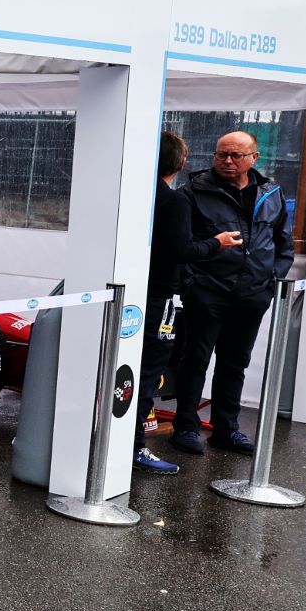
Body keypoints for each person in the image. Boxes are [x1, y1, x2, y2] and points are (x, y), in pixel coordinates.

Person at [165, 130, 293, 456]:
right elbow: (180, 245)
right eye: (222, 154)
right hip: (208, 292)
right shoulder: (194, 192)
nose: (228, 161)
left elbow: (283, 244)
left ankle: (227, 429)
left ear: (254, 158)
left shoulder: (271, 193)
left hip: (253, 295)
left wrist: (271, 279)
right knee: (194, 360)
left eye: (236, 155)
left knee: (235, 364)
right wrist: (191, 285)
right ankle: (186, 428)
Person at [133, 131, 230, 473]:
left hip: (129, 295)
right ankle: (134, 448)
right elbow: (181, 250)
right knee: (147, 372)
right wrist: (215, 244)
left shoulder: (130, 194)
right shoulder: (173, 201)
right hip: (160, 297)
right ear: (182, 162)